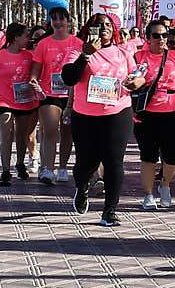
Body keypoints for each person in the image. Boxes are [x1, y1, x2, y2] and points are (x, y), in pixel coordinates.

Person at [59, 13, 146, 227]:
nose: (104, 28)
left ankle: (110, 211)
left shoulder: (122, 52)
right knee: (85, 163)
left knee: (114, 161)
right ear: (90, 29)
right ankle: (82, 188)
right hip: (85, 116)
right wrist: (86, 55)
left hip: (118, 112)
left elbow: (138, 75)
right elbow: (68, 78)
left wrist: (138, 82)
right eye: (99, 25)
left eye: (108, 25)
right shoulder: (77, 50)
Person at [133, 16, 175, 210]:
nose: (161, 39)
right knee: (148, 155)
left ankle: (165, 185)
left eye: (165, 35)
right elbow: (132, 81)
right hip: (146, 111)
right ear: (148, 38)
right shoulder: (138, 56)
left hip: (172, 111)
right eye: (156, 36)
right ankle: (148, 194)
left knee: (173, 155)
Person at [0, 22, 42, 187]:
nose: (28, 39)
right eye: (26, 35)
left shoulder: (29, 56)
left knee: (22, 135)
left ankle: (20, 163)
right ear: (15, 38)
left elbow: (37, 73)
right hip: (3, 100)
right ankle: (5, 170)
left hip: (24, 101)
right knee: (7, 133)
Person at [30, 8, 84, 185]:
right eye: (54, 19)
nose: (58, 23)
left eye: (61, 19)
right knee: (50, 130)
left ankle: (62, 167)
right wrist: (33, 80)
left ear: (68, 21)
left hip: (72, 93)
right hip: (49, 93)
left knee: (67, 132)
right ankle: (48, 169)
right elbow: (36, 68)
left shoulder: (78, 43)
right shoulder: (43, 44)